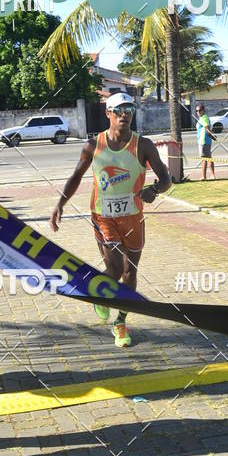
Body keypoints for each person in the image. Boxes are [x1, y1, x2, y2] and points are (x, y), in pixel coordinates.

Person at [49, 92, 171, 347]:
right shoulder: (93, 146)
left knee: (129, 273)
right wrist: (60, 203)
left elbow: (166, 179)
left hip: (133, 218)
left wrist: (154, 190)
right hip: (103, 216)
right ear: (108, 114)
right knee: (114, 269)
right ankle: (99, 294)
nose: (124, 115)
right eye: (118, 110)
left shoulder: (144, 145)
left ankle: (121, 321)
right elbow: (76, 176)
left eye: (129, 110)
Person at [195, 103, 216, 181]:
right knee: (208, 158)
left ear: (204, 110)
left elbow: (208, 130)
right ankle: (212, 175)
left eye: (200, 110)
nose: (198, 112)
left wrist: (213, 137)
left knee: (204, 159)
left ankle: (203, 176)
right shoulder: (201, 118)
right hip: (202, 140)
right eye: (196, 111)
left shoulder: (204, 118)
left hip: (204, 141)